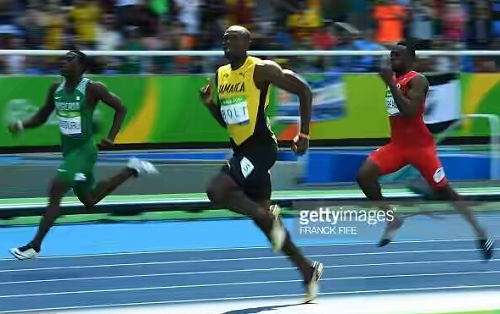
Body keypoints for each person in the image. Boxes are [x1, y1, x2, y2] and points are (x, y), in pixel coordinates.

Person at [199, 25, 323, 303]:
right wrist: (209, 105)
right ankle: (308, 270)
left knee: (217, 190)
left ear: (247, 42)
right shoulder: (220, 75)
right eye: (224, 39)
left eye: (233, 38)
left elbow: (304, 90)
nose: (226, 42)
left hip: (262, 149)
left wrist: (303, 135)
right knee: (265, 223)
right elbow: (228, 122)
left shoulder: (261, 69)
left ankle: (270, 216)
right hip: (242, 153)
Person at [7, 50, 159, 260]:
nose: (64, 61)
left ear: (82, 67)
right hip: (69, 152)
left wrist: (111, 137)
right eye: (64, 58)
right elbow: (42, 116)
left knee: (56, 189)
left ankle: (34, 246)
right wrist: (21, 124)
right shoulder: (55, 88)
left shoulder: (92, 88)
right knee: (90, 200)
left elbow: (121, 108)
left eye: (70, 59)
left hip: (84, 152)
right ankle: (131, 169)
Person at [356, 42, 495, 261]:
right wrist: (391, 83)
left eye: (398, 56)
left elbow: (410, 112)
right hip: (398, 146)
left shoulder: (418, 80)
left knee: (446, 193)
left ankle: (481, 232)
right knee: (364, 176)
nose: (393, 59)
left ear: (411, 59)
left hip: (421, 149)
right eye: (391, 56)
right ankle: (392, 219)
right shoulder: (394, 81)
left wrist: (390, 84)